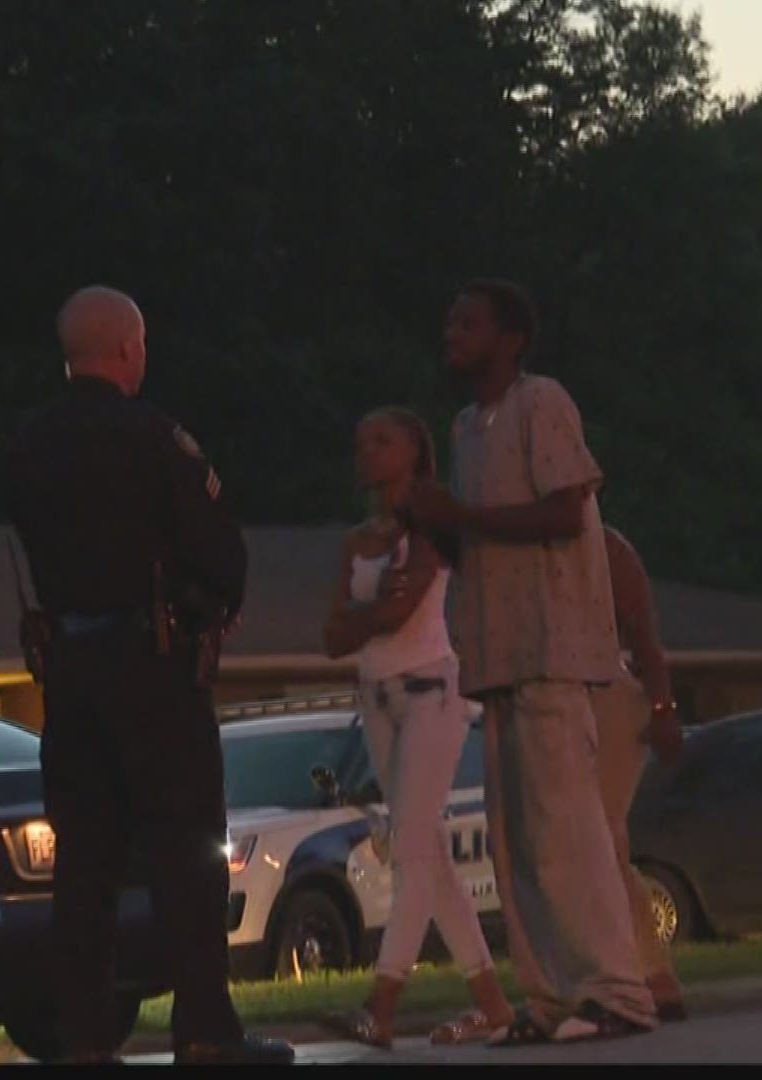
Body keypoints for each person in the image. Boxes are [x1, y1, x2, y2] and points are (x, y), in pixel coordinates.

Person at [4, 286, 295, 1066]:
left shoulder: (27, 442)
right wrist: (208, 604)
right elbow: (217, 551)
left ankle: (84, 1040)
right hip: (153, 666)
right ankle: (203, 1030)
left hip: (68, 672)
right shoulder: (153, 436)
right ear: (130, 348)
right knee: (187, 847)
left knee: (85, 861)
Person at [397, 278, 658, 1045]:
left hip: (550, 647)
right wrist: (437, 524)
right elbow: (476, 542)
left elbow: (563, 508)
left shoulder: (540, 403)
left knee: (567, 833)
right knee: (519, 845)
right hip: (497, 654)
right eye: (449, 320)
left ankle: (617, 992)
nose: (453, 333)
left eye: (469, 322)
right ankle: (549, 999)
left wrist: (464, 515)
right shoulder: (466, 428)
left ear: (509, 339)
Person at [315, 406, 518, 1050]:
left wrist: (365, 613)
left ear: (415, 451)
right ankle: (491, 1003)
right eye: (360, 442)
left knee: (409, 849)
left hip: (431, 690)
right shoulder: (357, 540)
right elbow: (332, 636)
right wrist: (369, 613)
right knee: (426, 853)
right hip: (376, 698)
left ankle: (381, 1002)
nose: (367, 452)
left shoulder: (430, 524)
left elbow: (399, 611)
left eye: (382, 441)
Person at [598, 526, 690, 1021]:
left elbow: (645, 637)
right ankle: (634, 971)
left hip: (610, 699)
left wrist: (661, 707)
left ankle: (652, 974)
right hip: (564, 701)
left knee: (604, 838)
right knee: (591, 844)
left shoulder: (612, 551)